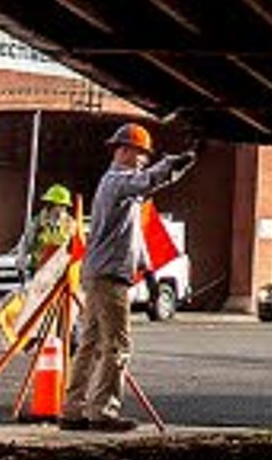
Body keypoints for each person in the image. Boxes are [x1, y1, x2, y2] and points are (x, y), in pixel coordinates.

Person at [63, 121, 190, 431]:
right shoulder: (118, 182)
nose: (143, 159)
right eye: (140, 153)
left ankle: (74, 410)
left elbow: (132, 233)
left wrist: (146, 270)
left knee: (90, 343)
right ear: (122, 151)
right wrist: (172, 164)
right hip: (109, 276)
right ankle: (102, 412)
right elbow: (146, 181)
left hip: (99, 273)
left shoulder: (121, 187)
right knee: (117, 345)